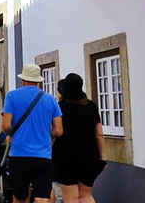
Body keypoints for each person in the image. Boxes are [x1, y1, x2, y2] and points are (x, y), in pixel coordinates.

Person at [1, 64, 63, 203]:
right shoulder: (51, 99)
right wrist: (46, 134)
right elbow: (58, 130)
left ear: (23, 79)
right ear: (38, 80)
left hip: (19, 154)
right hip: (43, 156)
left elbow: (5, 125)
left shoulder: (12, 96)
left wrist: (14, 133)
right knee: (42, 196)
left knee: (20, 196)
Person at [52, 73, 106, 203]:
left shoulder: (60, 109)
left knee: (71, 198)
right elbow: (99, 134)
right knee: (86, 195)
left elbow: (55, 133)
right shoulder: (92, 107)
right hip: (90, 157)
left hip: (65, 158)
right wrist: (102, 157)